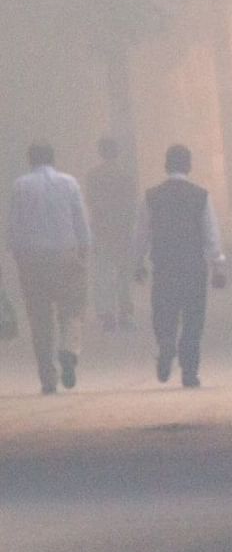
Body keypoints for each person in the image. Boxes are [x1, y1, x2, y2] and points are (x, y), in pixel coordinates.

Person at [132, 145, 226, 389]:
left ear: (166, 165)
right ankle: (189, 372)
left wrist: (138, 262)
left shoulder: (150, 197)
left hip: (164, 266)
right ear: (189, 166)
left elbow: (141, 234)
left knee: (164, 312)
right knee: (193, 319)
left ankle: (165, 342)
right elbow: (211, 235)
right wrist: (218, 266)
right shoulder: (201, 196)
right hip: (194, 267)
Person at [8, 143, 92, 394]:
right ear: (54, 159)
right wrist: (84, 252)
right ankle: (68, 349)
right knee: (72, 309)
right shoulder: (69, 183)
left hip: (33, 260)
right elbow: (80, 220)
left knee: (39, 319)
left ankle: (47, 376)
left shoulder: (20, 186)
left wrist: (18, 257)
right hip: (66, 256)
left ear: (29, 160)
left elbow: (14, 226)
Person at [83, 136, 138, 331]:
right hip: (122, 229)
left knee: (103, 272)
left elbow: (89, 201)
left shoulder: (93, 176)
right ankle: (125, 313)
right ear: (117, 152)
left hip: (101, 230)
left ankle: (107, 315)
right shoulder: (126, 175)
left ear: (100, 152)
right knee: (123, 273)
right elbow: (133, 204)